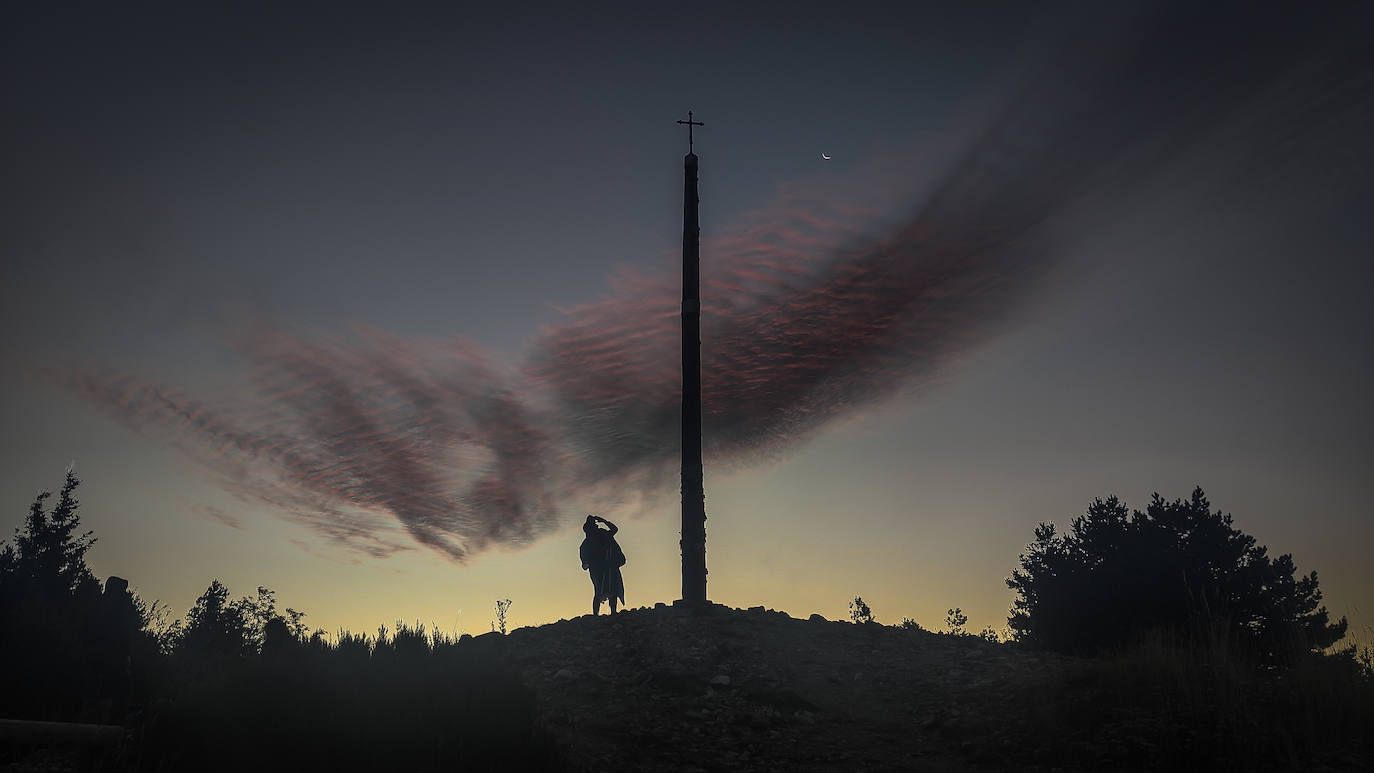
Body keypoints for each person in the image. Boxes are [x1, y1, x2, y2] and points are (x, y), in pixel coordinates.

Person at [579, 515, 626, 615]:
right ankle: (596, 615)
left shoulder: (603, 534)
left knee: (613, 589)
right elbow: (585, 564)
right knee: (599, 590)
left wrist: (604, 521)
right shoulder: (586, 544)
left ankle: (613, 613)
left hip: (610, 566)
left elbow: (614, 529)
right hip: (597, 570)